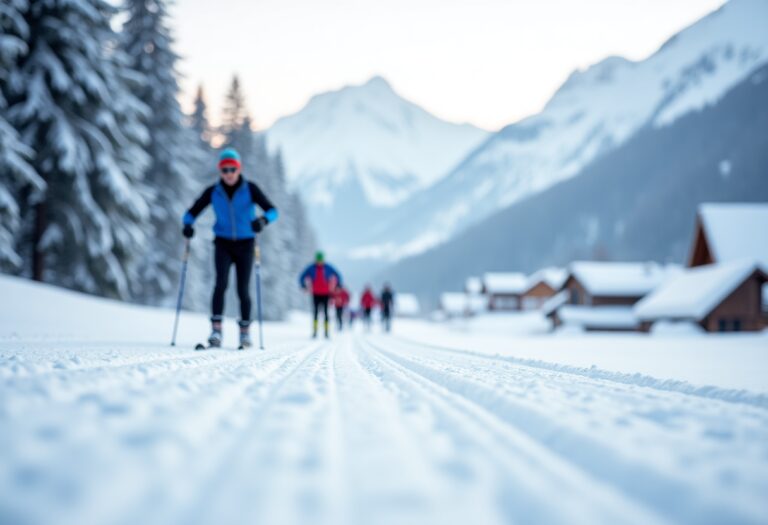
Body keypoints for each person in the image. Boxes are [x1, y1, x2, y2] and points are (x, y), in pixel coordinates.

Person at [182, 148, 278, 348]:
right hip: (223, 243)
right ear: (220, 171)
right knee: (220, 284)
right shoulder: (213, 191)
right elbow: (191, 212)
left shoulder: (250, 189)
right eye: (224, 170)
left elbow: (273, 211)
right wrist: (188, 225)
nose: (228, 174)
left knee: (243, 289)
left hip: (246, 243)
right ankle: (216, 332)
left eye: (232, 169)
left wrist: (262, 221)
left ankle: (245, 334)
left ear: (238, 169)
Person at [299, 251, 342, 339]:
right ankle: (315, 331)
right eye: (318, 260)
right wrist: (303, 285)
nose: (319, 262)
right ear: (316, 259)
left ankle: (326, 332)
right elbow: (301, 276)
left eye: (321, 260)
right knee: (315, 313)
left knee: (326, 313)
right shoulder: (311, 267)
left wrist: (338, 284)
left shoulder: (328, 267)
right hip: (315, 294)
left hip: (326, 294)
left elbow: (338, 275)